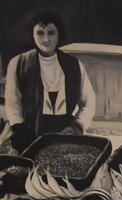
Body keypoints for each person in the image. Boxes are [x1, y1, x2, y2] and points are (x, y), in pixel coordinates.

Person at [1, 11, 97, 153]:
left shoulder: (74, 65)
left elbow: (89, 102)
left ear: (59, 34)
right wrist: (20, 132)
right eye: (40, 33)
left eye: (51, 33)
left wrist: (76, 127)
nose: (46, 39)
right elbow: (12, 103)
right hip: (28, 134)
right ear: (32, 35)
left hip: (64, 137)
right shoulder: (19, 63)